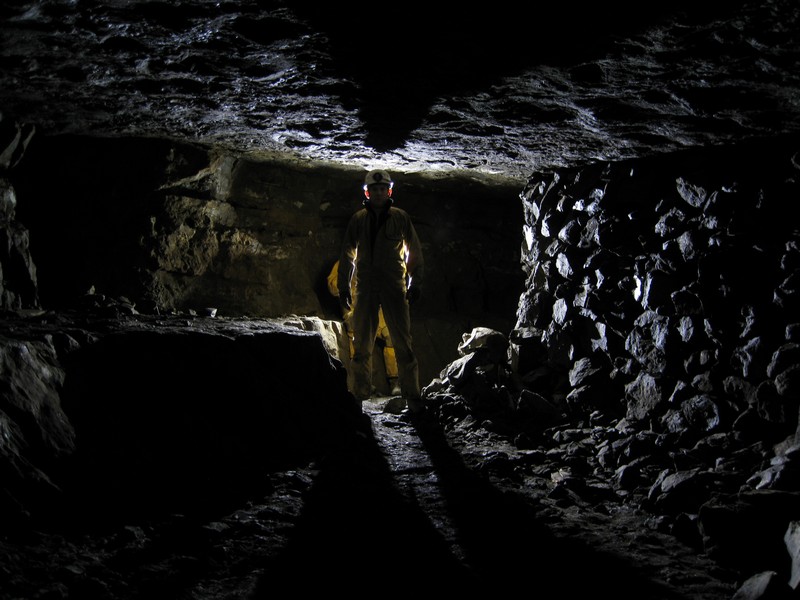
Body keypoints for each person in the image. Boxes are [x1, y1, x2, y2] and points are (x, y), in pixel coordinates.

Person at [338, 169, 425, 414]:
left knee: (402, 342)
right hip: (365, 288)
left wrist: (415, 282)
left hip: (394, 287)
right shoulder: (358, 220)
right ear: (367, 192)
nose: (378, 193)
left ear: (389, 191)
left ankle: (412, 395)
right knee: (362, 342)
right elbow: (347, 255)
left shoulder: (400, 217)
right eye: (374, 189)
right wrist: (344, 285)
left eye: (382, 189)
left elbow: (414, 252)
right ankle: (360, 394)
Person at [327, 259, 401, 396]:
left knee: (390, 334)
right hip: (353, 313)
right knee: (357, 339)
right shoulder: (342, 264)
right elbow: (332, 288)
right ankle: (362, 382)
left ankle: (395, 381)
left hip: (373, 311)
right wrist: (348, 278)